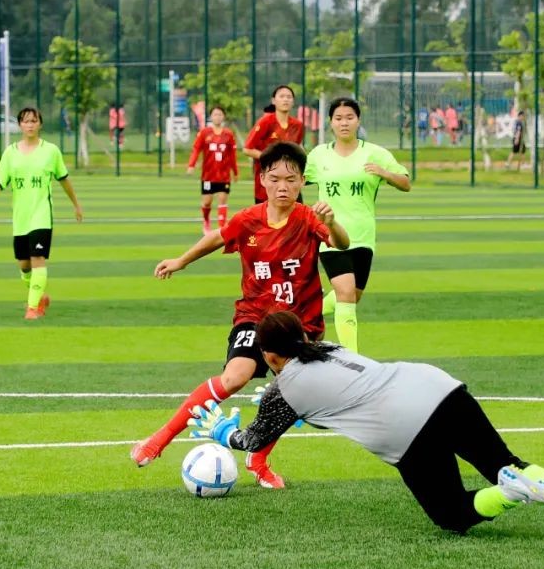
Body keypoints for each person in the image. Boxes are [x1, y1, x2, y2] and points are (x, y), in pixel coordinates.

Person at [189, 310, 544, 542]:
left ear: (267, 355)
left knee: (451, 514)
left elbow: (253, 440)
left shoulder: (282, 391)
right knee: (505, 460)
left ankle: (510, 493)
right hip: (437, 385)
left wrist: (223, 433)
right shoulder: (328, 347)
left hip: (405, 426)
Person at [132, 141, 350, 488]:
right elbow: (217, 238)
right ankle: (158, 439)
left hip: (300, 325)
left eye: (291, 180)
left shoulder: (310, 218)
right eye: (275, 178)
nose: (283, 186)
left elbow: (341, 243)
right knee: (235, 377)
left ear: (301, 182)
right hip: (256, 317)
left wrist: (333, 222)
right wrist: (180, 261)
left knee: (291, 395)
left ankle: (258, 460)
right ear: (262, 178)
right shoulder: (248, 220)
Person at [305, 97, 410, 352]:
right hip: (330, 235)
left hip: (363, 236)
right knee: (345, 293)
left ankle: (302, 312)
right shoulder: (319, 155)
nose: (344, 123)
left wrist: (385, 173)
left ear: (358, 120)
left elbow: (405, 183)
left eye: (349, 118)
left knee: (352, 296)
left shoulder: (374, 153)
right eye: (338, 118)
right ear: (330, 122)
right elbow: (296, 181)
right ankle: (352, 359)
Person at [0, 107, 84, 320]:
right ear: (20, 125)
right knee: (24, 265)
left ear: (40, 124)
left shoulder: (51, 151)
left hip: (41, 216)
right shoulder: (10, 152)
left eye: (34, 121)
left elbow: (64, 179)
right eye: (26, 121)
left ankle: (32, 308)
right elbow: (0, 179)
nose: (30, 125)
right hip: (21, 218)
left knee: (37, 258)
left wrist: (76, 204)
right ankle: (40, 295)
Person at [243, 85, 304, 204]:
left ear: (293, 101)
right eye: (281, 96)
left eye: (289, 97)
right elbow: (247, 149)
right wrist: (272, 159)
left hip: (290, 179)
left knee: (297, 218)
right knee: (267, 220)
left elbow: (296, 149)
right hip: (268, 182)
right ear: (273, 100)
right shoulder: (266, 122)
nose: (285, 99)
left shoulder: (298, 125)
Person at [187, 105, 239, 233]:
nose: (217, 117)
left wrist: (235, 172)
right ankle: (206, 221)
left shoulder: (228, 134)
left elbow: (232, 155)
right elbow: (196, 150)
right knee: (206, 202)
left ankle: (222, 229)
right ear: (211, 117)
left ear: (223, 117)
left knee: (222, 200)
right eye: (215, 114)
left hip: (223, 175)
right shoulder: (204, 133)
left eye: (220, 114)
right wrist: (191, 165)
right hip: (208, 175)